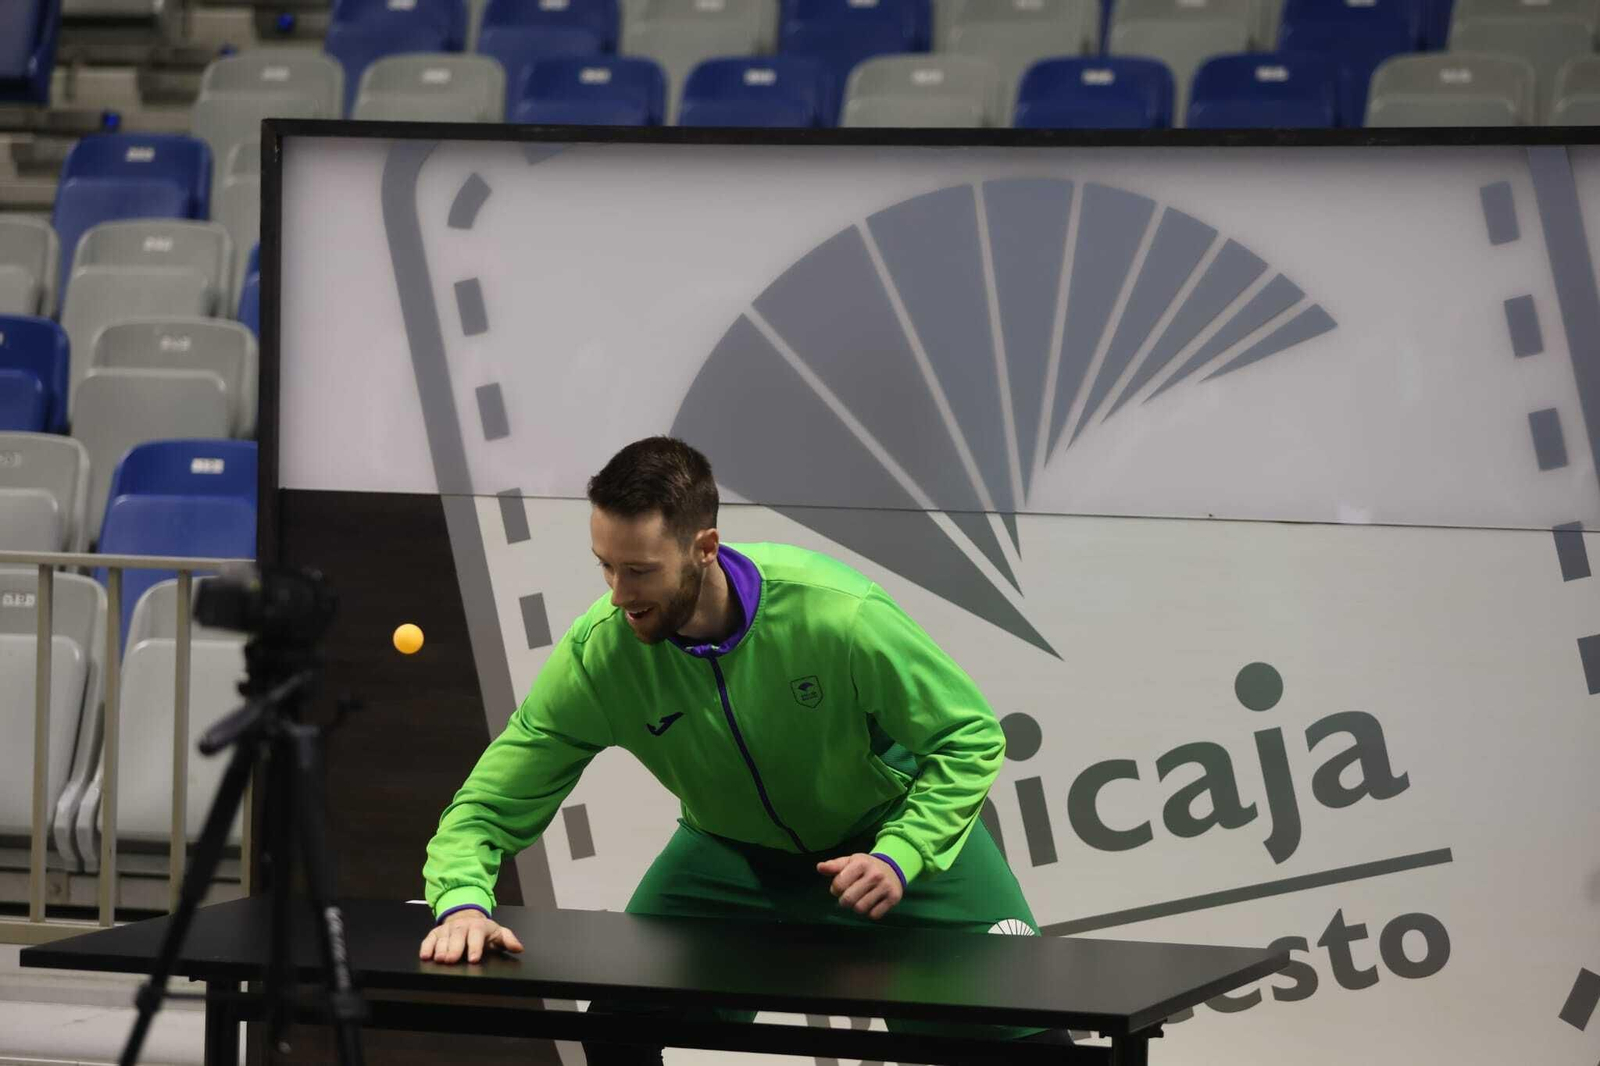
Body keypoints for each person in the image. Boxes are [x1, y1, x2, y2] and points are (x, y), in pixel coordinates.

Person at [418, 436, 1072, 1062]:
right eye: (607, 568)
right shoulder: (601, 656)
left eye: (640, 571)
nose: (619, 597)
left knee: (1030, 1039)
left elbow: (970, 736)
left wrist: (900, 853)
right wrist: (463, 904)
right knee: (618, 1026)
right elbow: (488, 804)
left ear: (704, 547)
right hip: (730, 856)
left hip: (886, 840)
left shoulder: (836, 614)